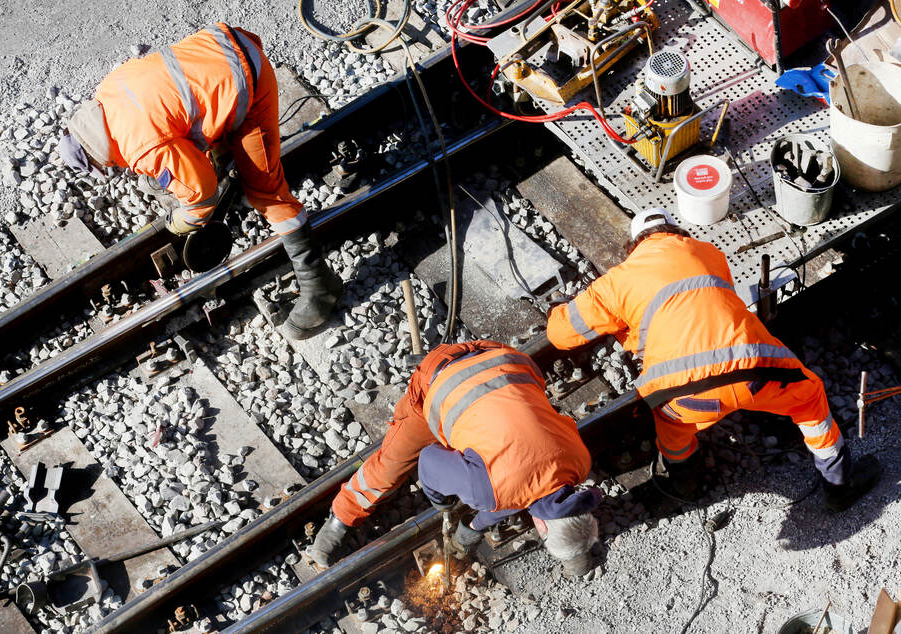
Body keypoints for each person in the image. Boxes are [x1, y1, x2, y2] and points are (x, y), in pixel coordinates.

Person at [547, 207, 881, 511]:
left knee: (673, 430)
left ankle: (687, 483)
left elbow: (561, 335)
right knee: (810, 399)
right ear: (677, 233)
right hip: (754, 372)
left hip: (683, 395)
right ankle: (839, 484)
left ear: (633, 247)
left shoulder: (617, 280)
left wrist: (583, 316)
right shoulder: (709, 252)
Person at [57, 23, 341, 339]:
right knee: (196, 129)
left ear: (98, 156)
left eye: (104, 165)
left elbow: (201, 193)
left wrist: (182, 222)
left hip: (249, 81)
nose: (111, 166)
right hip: (225, 43)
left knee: (266, 192)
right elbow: (175, 110)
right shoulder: (108, 91)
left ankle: (319, 283)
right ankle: (231, 159)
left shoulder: (138, 147)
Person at [307, 340, 602, 576]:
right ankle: (341, 516)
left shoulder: (580, 461)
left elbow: (520, 489)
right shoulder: (487, 492)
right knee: (391, 464)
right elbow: (427, 461)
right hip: (440, 377)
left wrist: (475, 526)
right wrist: (441, 501)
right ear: (544, 527)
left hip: (504, 359)